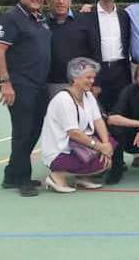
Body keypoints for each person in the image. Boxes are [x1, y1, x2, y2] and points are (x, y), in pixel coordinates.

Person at [0, 0, 51, 197]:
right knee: (23, 131)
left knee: (34, 129)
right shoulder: (12, 17)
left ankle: (11, 175)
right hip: (20, 85)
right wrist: (5, 83)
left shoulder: (38, 18)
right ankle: (23, 179)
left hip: (39, 85)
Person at [38, 57, 115, 193]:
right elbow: (73, 133)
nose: (92, 81)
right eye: (88, 77)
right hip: (59, 151)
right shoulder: (64, 100)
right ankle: (56, 176)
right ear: (75, 78)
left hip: (78, 145)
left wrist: (106, 144)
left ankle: (81, 178)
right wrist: (100, 147)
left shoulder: (88, 95)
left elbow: (98, 121)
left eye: (93, 77)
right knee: (102, 162)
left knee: (110, 145)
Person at [105, 62, 139, 184]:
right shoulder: (128, 91)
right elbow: (112, 118)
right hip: (133, 138)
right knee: (115, 128)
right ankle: (116, 169)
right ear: (136, 78)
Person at [89, 0, 132, 114]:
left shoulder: (124, 15)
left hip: (121, 71)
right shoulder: (87, 15)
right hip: (98, 71)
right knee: (98, 113)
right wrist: (93, 80)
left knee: (121, 111)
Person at [45, 0, 95, 98]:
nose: (60, 1)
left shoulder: (85, 20)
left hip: (81, 82)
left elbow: (94, 51)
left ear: (70, 0)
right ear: (48, 1)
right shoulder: (42, 24)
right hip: (53, 84)